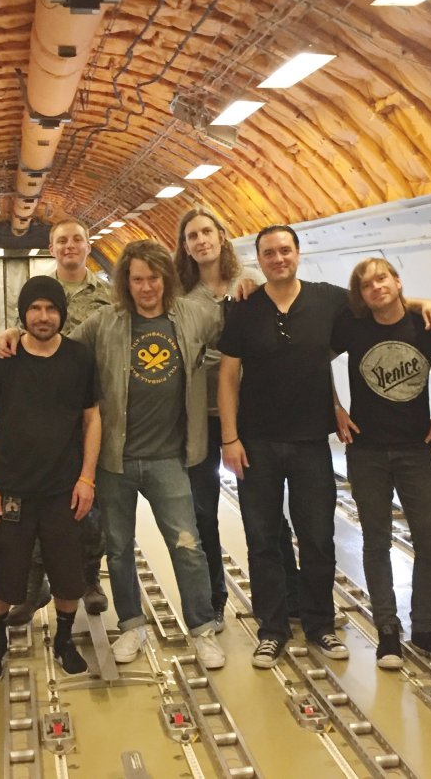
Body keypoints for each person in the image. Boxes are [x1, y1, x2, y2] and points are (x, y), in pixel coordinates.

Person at [219, 226, 431, 670]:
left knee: (318, 538)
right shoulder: (244, 307)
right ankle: (272, 629)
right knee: (263, 537)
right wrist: (229, 438)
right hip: (257, 441)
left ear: (298, 254)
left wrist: (425, 303)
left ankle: (321, 622)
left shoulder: (328, 301)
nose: (278, 258)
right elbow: (228, 376)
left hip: (310, 441)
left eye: (285, 250)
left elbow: (383, 302)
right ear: (260, 260)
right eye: (269, 253)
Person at [0, 240, 227, 669]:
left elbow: (233, 329)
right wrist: (12, 334)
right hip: (115, 459)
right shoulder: (106, 322)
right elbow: (54, 343)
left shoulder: (194, 315)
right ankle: (132, 625)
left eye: (153, 278)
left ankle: (203, 628)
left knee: (186, 545)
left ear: (165, 278)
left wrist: (244, 283)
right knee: (118, 548)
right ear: (125, 282)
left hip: (169, 456)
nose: (146, 287)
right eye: (137, 279)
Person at [175, 207, 298, 631]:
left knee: (265, 512)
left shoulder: (253, 283)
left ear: (222, 235)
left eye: (207, 231)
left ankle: (289, 594)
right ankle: (213, 596)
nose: (201, 240)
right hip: (199, 418)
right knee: (201, 511)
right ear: (185, 246)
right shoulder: (179, 296)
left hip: (252, 413)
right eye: (192, 236)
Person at [332, 258, 431, 672]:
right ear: (361, 295)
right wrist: (335, 407)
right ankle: (388, 630)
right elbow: (314, 359)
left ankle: (424, 628)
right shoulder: (352, 326)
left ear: (397, 281)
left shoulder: (427, 326)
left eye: (382, 278)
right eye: (366, 284)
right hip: (367, 452)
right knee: (375, 542)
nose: (376, 287)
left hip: (416, 451)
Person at [0, 276, 102, 683]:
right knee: (3, 571)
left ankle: (64, 641)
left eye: (51, 309)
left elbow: (92, 418)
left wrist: (87, 479)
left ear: (62, 314)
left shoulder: (80, 358)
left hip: (63, 489)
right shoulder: (2, 362)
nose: (43, 317)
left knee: (69, 573)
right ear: (23, 314)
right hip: (12, 488)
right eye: (35, 308)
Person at [7, 217, 114, 624]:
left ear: (89, 246)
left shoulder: (108, 297)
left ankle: (90, 579)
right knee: (37, 506)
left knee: (90, 508)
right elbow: (19, 336)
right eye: (62, 241)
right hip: (42, 419)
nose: (70, 246)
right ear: (52, 249)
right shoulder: (39, 293)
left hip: (89, 412)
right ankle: (34, 586)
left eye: (77, 240)